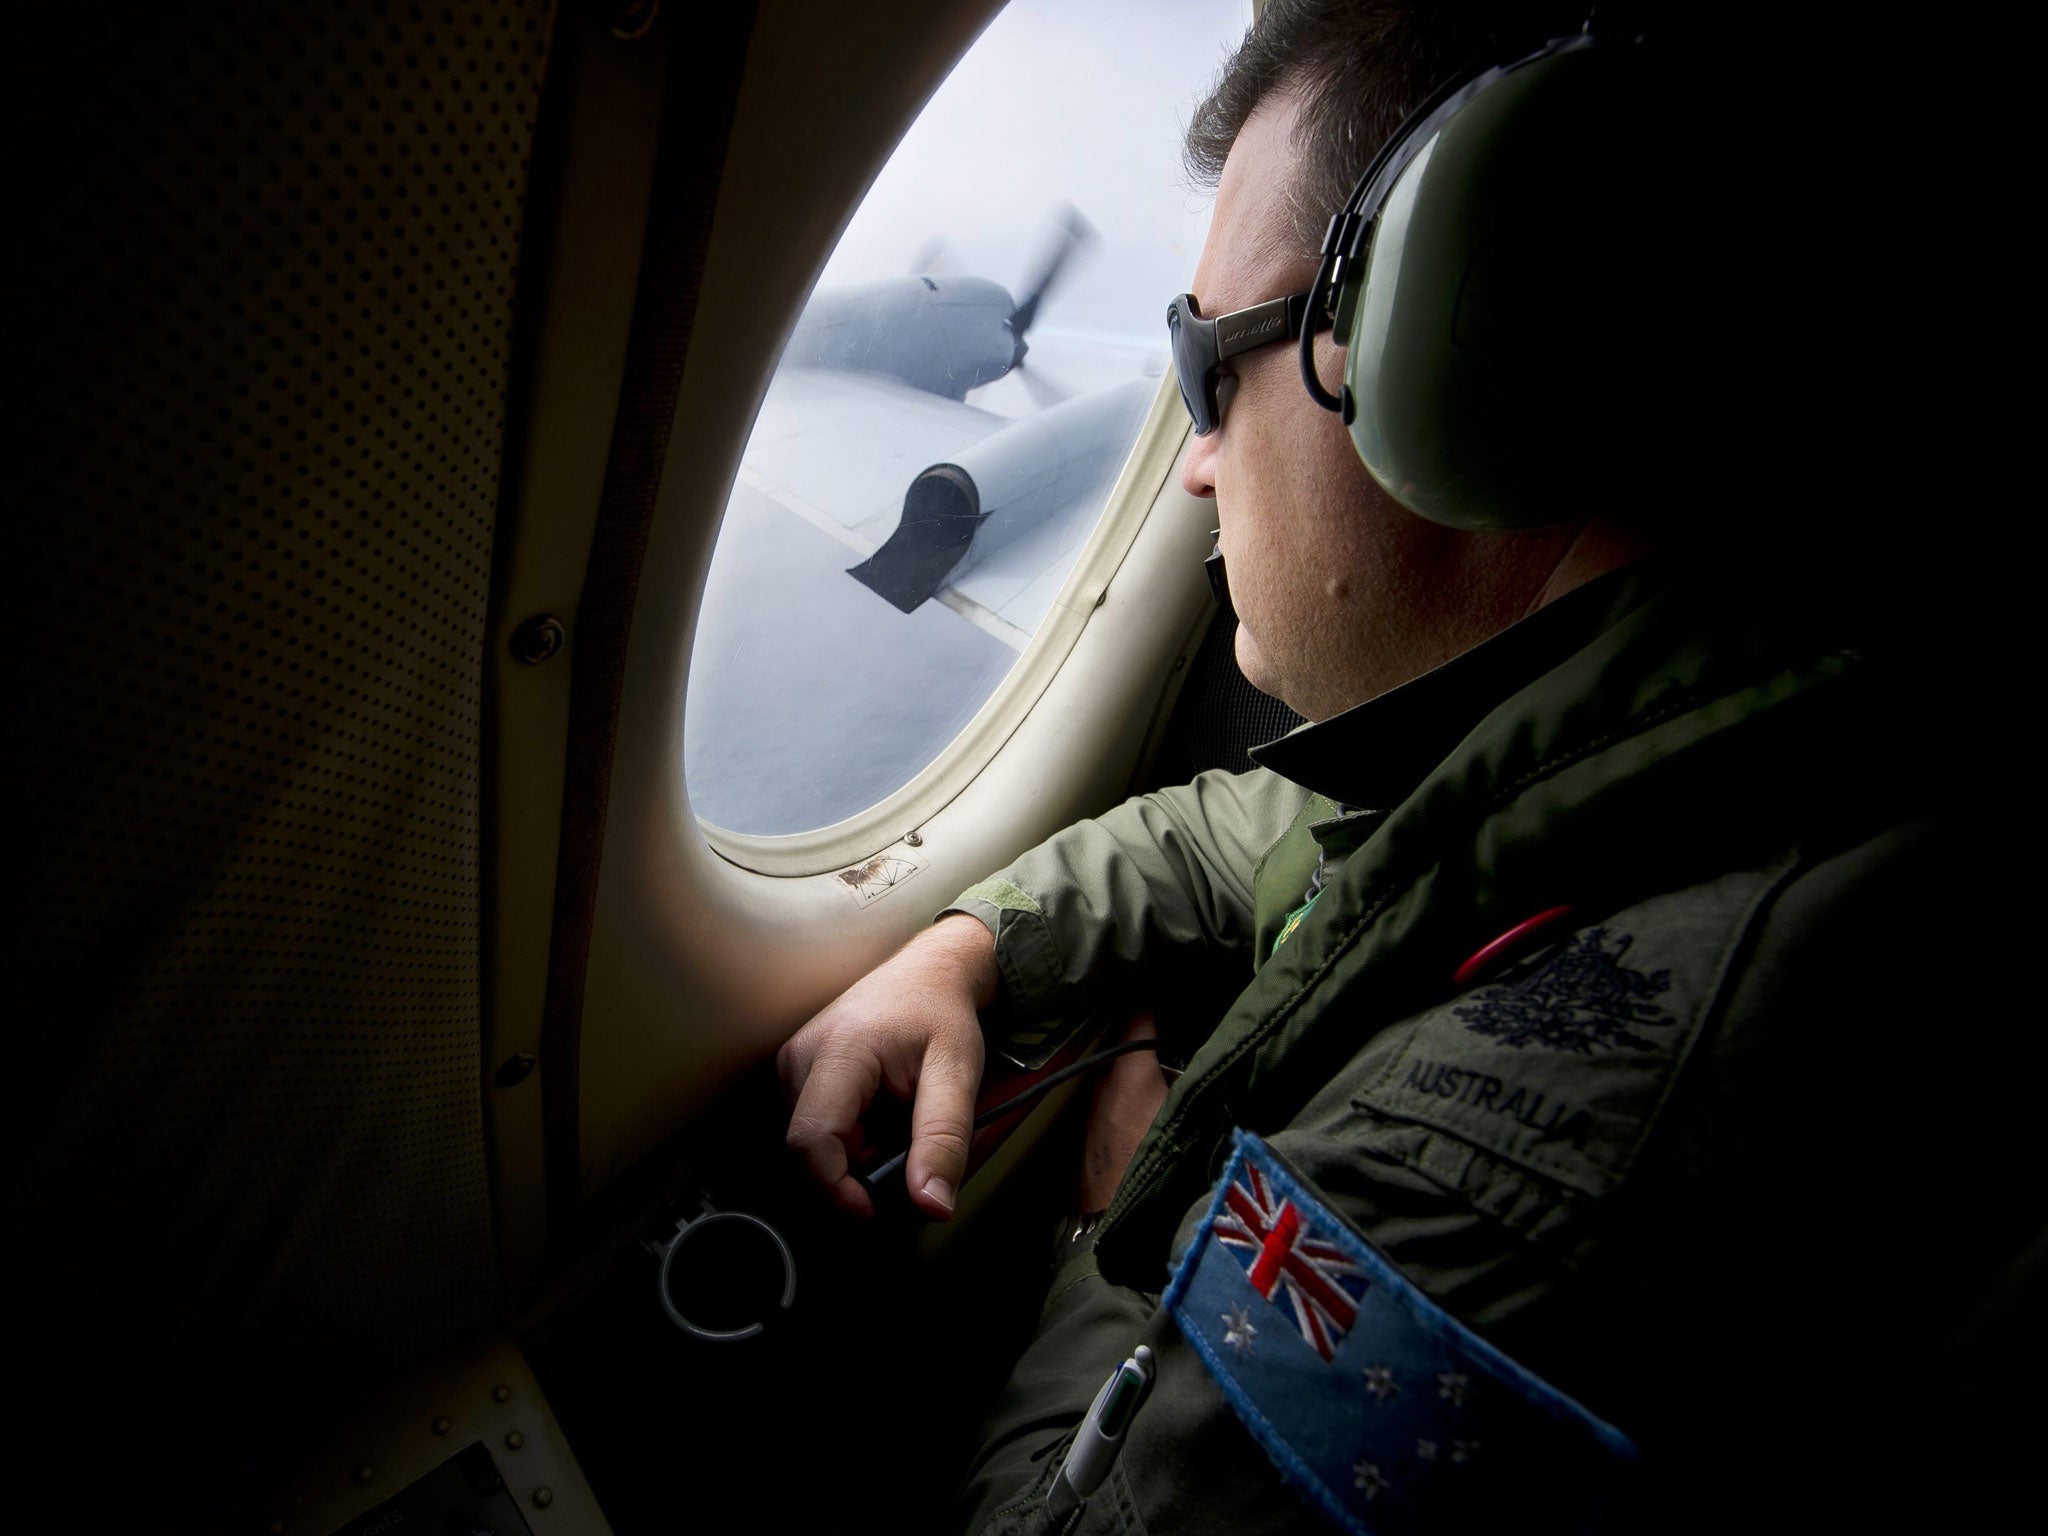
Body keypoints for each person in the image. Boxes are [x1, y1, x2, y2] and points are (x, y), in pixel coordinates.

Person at [780, 3, 2029, 1530]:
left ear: (1447, 352)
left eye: (1203, 359)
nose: (1191, 458)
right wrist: (978, 941)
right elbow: (1270, 827)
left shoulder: (1467, 1186)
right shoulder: (1689, 733)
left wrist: (1120, 1232)